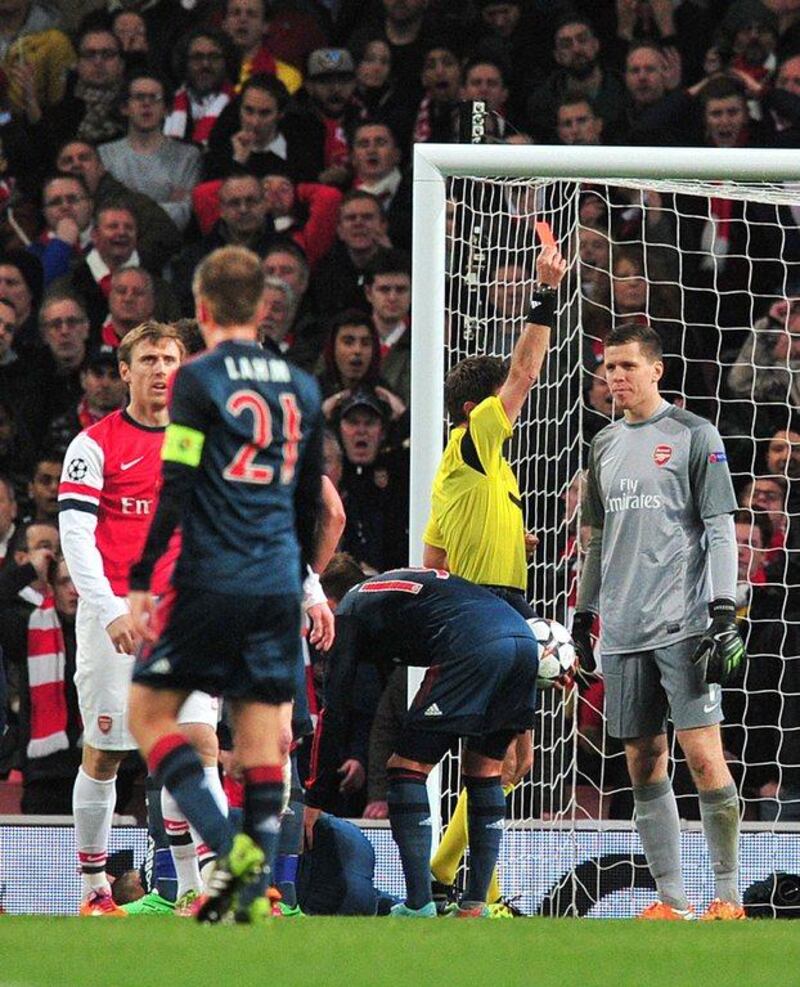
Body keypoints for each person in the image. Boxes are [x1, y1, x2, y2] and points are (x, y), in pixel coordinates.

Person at [125, 245, 327, 925]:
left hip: (212, 576)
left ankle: (231, 856)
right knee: (264, 735)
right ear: (264, 307)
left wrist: (140, 578)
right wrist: (302, 579)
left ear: (203, 308)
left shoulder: (198, 378)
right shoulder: (302, 387)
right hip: (276, 579)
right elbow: (311, 503)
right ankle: (254, 889)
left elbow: (177, 482)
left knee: (150, 714)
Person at [571, 321, 746, 921]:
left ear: (655, 371)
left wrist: (724, 610)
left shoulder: (696, 436)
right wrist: (583, 613)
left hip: (685, 623)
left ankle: (728, 896)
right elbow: (596, 540)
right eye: (608, 367)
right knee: (643, 762)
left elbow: (720, 528)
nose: (614, 377)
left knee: (703, 758)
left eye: (625, 367)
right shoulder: (603, 446)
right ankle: (672, 901)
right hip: (620, 632)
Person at [58, 322, 221, 917]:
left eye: (169, 359)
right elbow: (75, 537)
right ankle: (95, 889)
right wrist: (107, 611)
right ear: (124, 372)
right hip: (115, 621)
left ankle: (201, 886)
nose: (159, 370)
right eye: (147, 359)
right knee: (105, 754)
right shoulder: (93, 445)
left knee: (198, 741)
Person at [421, 242, 566, 912]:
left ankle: (448, 873)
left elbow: (433, 557)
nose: (516, 409)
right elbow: (525, 373)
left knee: (510, 760)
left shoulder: (474, 472)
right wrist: (544, 295)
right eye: (503, 403)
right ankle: (476, 889)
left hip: (491, 608)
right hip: (490, 611)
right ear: (479, 406)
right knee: (496, 761)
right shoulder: (475, 440)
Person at [304, 558, 540, 918]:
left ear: (327, 600)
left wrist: (315, 798)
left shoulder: (349, 611)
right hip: (525, 643)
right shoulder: (394, 592)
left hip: (472, 644)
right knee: (483, 771)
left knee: (404, 769)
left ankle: (418, 904)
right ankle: (475, 906)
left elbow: (334, 710)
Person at [98, 70, 202, 233]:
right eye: (139, 97)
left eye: (154, 98)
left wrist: (127, 208)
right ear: (125, 108)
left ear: (166, 109)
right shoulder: (104, 154)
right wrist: (166, 204)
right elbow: (104, 214)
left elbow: (181, 215)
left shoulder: (188, 156)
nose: (146, 104)